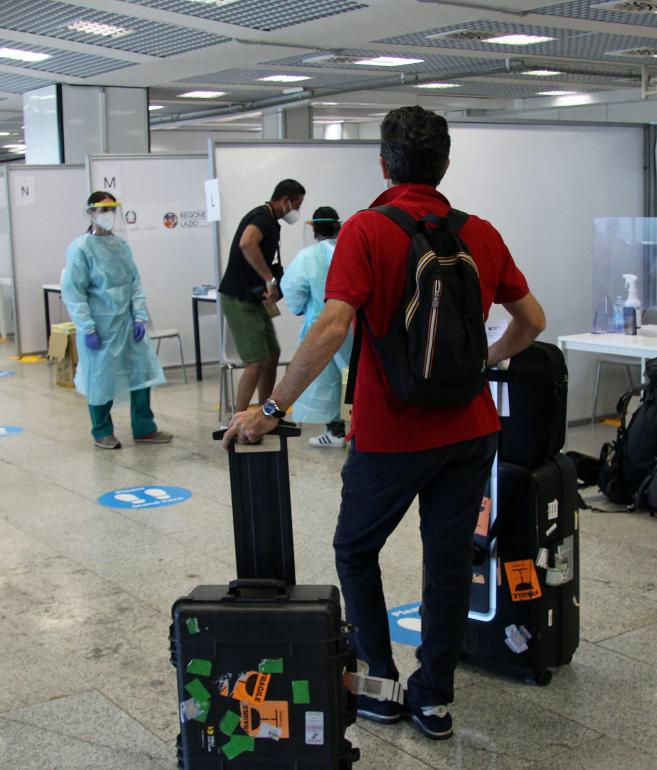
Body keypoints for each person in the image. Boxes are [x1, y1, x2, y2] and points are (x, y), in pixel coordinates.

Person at [223, 107, 546, 740]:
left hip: (392, 433)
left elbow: (332, 325)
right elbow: (532, 321)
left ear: (382, 163)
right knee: (448, 562)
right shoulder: (480, 232)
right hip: (470, 431)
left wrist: (270, 409)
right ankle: (434, 699)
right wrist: (484, 357)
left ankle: (378, 682)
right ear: (446, 165)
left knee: (355, 547)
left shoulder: (368, 231)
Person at [61, 191, 172, 450]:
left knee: (141, 373)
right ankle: (102, 431)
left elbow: (134, 283)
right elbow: (74, 292)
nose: (108, 215)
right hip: (99, 327)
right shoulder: (81, 248)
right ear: (91, 213)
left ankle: (144, 428)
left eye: (112, 209)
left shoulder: (121, 246)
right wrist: (87, 327)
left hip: (127, 323)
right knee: (100, 379)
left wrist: (139, 316)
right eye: (102, 209)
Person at [218, 179, 305, 416]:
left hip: (256, 299)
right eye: (296, 205)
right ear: (285, 200)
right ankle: (239, 420)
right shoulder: (262, 217)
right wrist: (269, 278)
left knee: (272, 354)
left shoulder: (271, 221)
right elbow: (247, 243)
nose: (296, 211)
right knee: (256, 360)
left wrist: (271, 285)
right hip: (239, 298)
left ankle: (265, 414)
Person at [281, 206, 352, 448]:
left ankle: (335, 431)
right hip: (351, 326)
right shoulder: (349, 251)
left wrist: (303, 308)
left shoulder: (306, 257)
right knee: (355, 379)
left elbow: (291, 288)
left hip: (320, 327)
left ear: (313, 229)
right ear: (338, 225)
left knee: (326, 379)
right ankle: (362, 432)